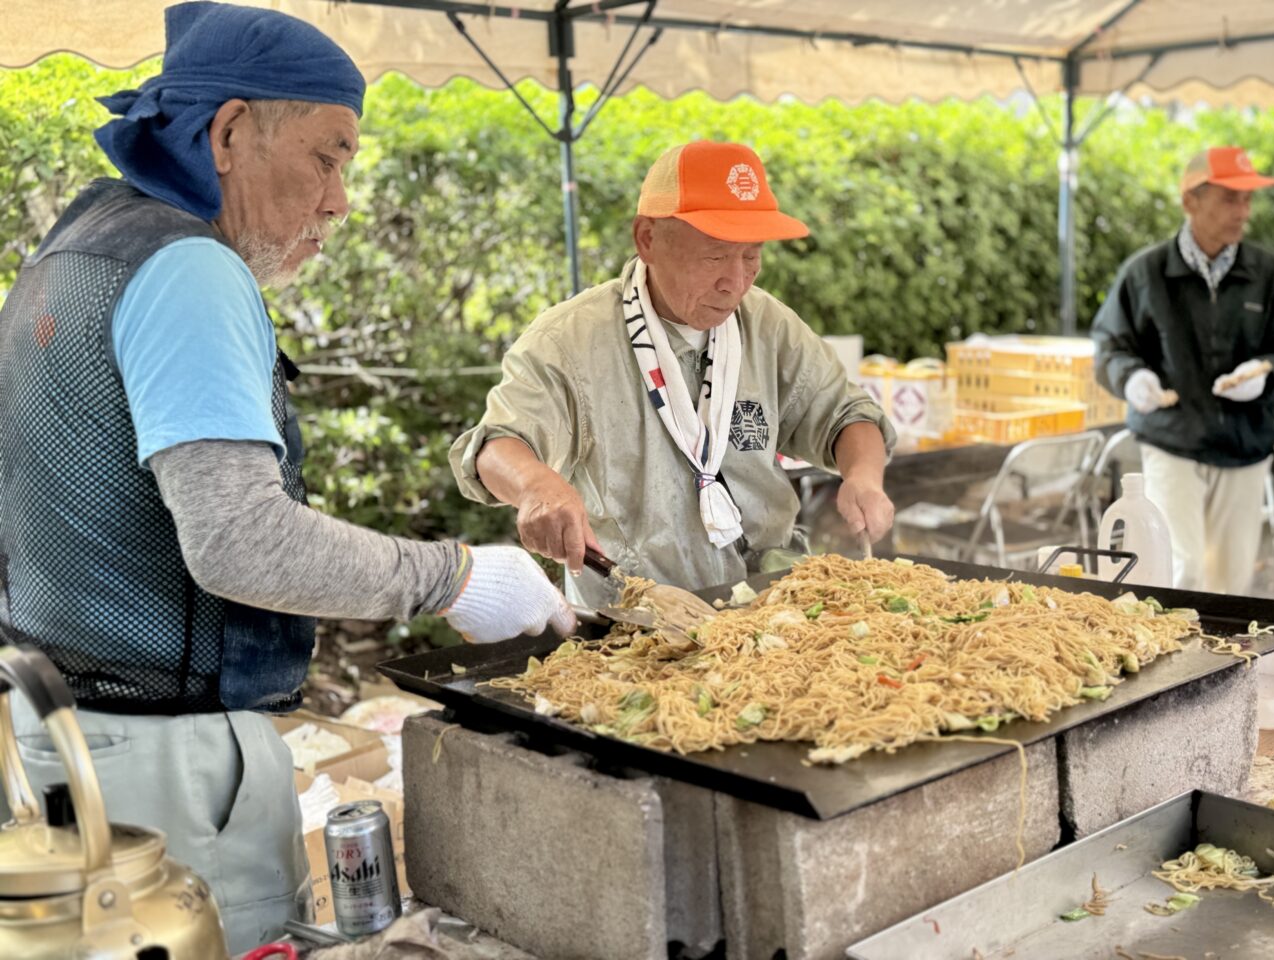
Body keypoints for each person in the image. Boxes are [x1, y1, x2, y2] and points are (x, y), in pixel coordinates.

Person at [0, 3, 572, 951]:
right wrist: (457, 577)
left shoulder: (72, 250)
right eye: (328, 156)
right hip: (167, 764)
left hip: (63, 736)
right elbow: (238, 539)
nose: (341, 199)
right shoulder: (189, 269)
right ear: (228, 134)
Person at [449, 140, 896, 607]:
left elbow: (847, 414)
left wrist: (863, 477)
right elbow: (496, 446)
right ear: (648, 239)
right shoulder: (571, 340)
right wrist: (537, 487)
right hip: (635, 615)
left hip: (769, 602)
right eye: (715, 256)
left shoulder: (764, 322)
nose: (735, 282)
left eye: (751, 256)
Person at [1093, 146, 1274, 595]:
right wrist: (1131, 378)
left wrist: (1267, 372)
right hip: (1172, 440)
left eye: (1248, 199)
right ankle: (1174, 663)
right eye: (1231, 198)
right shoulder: (1145, 273)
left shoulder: (1268, 273)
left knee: (1230, 585)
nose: (1244, 211)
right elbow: (1109, 347)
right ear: (1190, 201)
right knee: (1182, 573)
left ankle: (1227, 666)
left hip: (1245, 446)